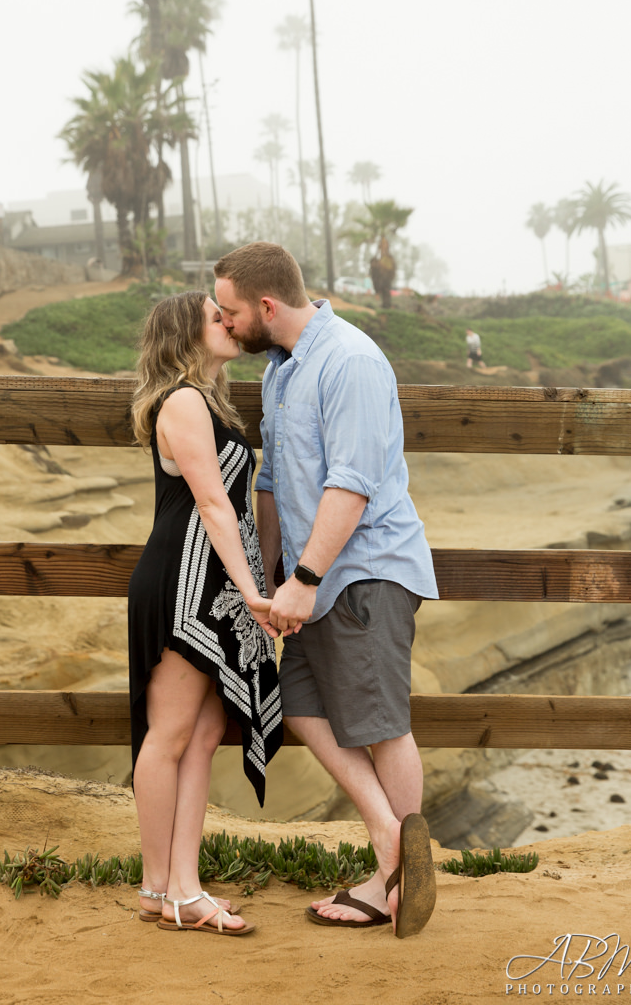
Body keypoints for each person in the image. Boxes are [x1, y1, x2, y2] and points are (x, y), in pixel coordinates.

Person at [214, 243, 439, 939]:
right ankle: (393, 840)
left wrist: (306, 581)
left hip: (365, 570)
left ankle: (394, 884)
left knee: (379, 724)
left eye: (230, 312)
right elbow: (275, 485)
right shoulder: (282, 372)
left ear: (268, 307)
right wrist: (270, 582)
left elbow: (353, 484)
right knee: (302, 708)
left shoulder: (352, 361)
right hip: (311, 581)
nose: (225, 325)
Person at [128, 290, 283, 937]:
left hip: (213, 581)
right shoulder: (183, 401)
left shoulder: (210, 398)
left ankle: (178, 888)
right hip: (186, 584)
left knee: (198, 738)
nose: (228, 323)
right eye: (214, 319)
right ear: (182, 336)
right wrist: (253, 590)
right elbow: (216, 506)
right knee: (168, 737)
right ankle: (162, 885)